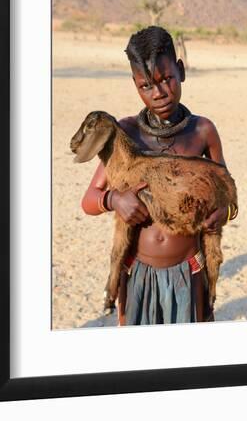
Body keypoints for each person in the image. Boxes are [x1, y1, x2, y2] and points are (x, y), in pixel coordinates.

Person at [81, 26, 237, 325]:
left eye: (166, 79)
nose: (159, 93)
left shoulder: (203, 131)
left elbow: (227, 196)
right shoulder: (125, 135)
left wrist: (222, 213)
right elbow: (88, 201)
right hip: (137, 272)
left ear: (181, 71)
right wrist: (114, 199)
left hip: (189, 270)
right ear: (135, 85)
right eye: (146, 86)